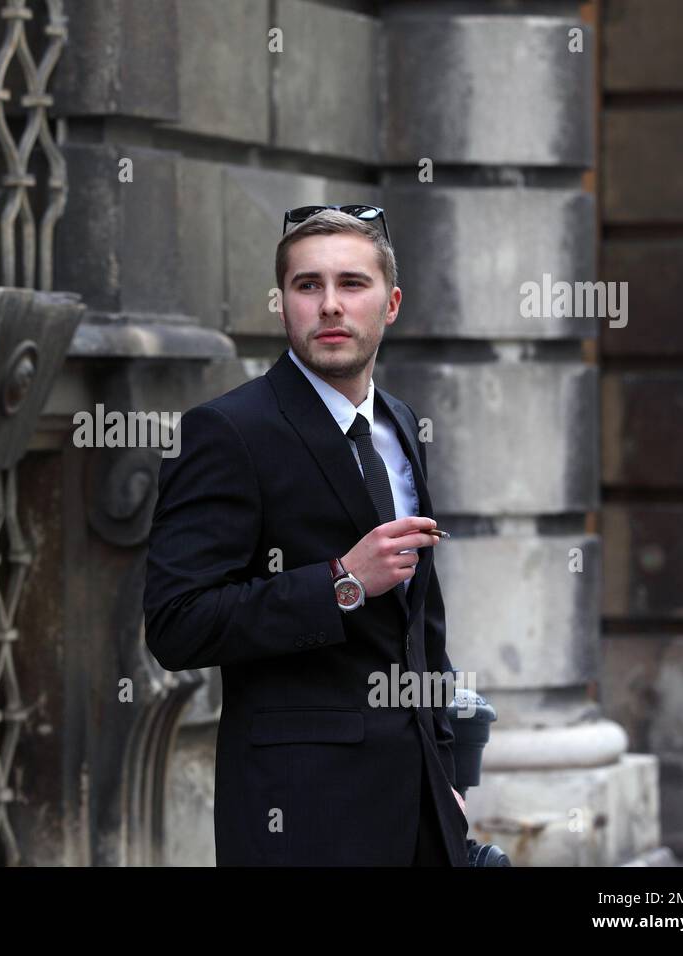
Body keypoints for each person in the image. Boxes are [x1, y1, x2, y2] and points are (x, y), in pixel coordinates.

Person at [143, 207, 468, 865]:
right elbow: (176, 625)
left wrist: (449, 768)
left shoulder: (401, 423)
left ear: (391, 302)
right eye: (306, 285)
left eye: (352, 284)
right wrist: (340, 584)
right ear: (282, 303)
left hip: (423, 813)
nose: (330, 306)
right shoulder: (227, 433)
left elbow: (421, 622)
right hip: (302, 818)